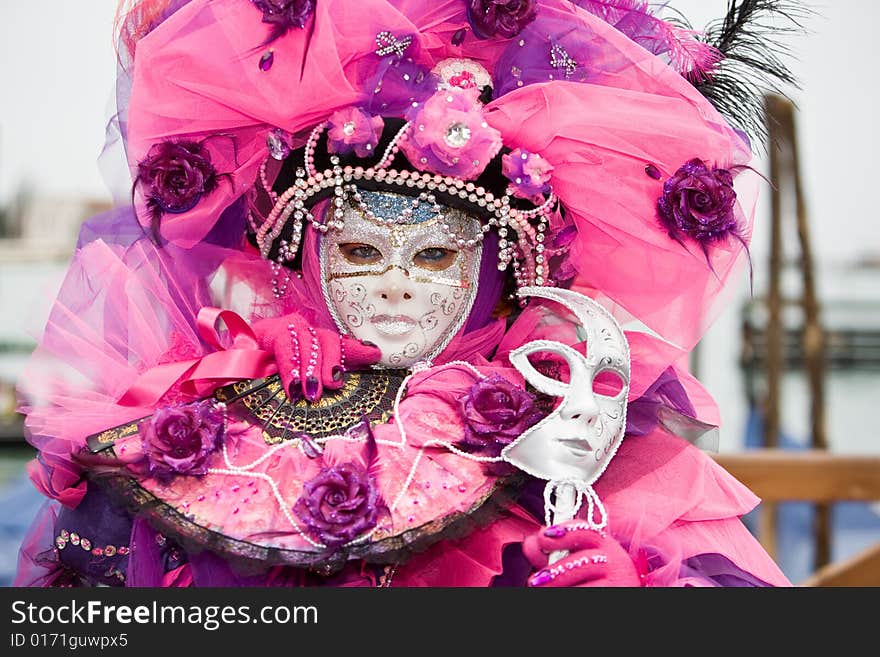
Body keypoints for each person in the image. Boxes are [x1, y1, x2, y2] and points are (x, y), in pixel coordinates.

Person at [15, 0, 798, 587]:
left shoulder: (577, 440)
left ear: (508, 274)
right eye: (358, 248)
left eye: (434, 257)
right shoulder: (198, 414)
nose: (392, 283)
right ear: (298, 257)